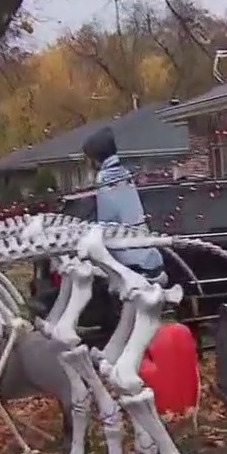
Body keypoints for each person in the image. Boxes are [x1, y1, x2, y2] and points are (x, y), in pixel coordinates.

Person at [81, 126, 164, 345]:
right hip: (149, 254)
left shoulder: (105, 179)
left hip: (130, 260)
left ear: (95, 158)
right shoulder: (125, 174)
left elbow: (105, 225)